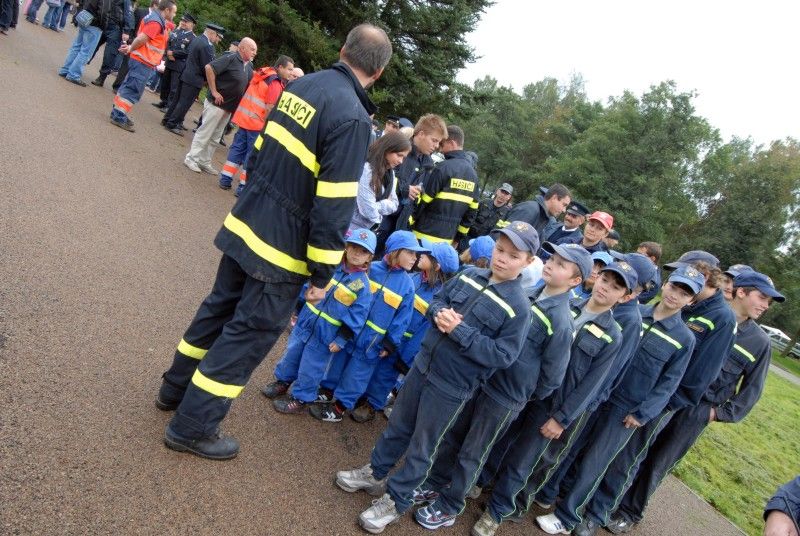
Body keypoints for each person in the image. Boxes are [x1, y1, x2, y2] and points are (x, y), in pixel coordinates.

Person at [155, 23, 392, 460]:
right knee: (246, 337)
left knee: (215, 311)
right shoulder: (353, 118)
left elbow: (260, 150)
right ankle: (192, 426)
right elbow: (333, 204)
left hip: (249, 223)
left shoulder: (301, 87)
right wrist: (323, 271)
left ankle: (174, 390)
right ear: (378, 73)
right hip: (282, 252)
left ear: (343, 50)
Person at [333, 221, 536, 534]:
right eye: (500, 250)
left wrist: (461, 331)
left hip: (453, 386)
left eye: (513, 255)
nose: (503, 258)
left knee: (423, 446)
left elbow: (503, 356)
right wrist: (439, 314)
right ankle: (375, 473)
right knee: (398, 426)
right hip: (424, 364)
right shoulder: (469, 275)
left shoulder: (519, 308)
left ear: (528, 261)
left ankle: (396, 501)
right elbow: (437, 302)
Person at [416, 242, 590, 530]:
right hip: (484, 378)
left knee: (474, 451)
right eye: (553, 258)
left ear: (575, 281)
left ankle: (450, 504)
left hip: (506, 395)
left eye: (561, 265)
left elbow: (553, 376)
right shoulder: (525, 295)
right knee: (454, 434)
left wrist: (522, 392)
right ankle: (434, 482)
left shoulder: (561, 320)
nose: (550, 264)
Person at [606, 270, 783, 534]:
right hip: (669, 394)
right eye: (762, 297)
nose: (764, 306)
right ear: (742, 292)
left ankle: (630, 511)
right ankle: (608, 498)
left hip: (697, 409)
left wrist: (716, 413)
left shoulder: (759, 342)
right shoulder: (705, 314)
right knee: (633, 448)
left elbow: (751, 390)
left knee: (661, 459)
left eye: (768, 302)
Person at [536, 265, 704, 536]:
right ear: (665, 285)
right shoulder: (637, 315)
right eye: (674, 286)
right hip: (600, 394)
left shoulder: (684, 338)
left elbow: (669, 383)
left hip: (627, 409)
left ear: (691, 301)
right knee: (572, 445)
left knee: (596, 461)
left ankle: (568, 516)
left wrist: (643, 413)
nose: (675, 295)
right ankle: (547, 492)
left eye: (685, 293)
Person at [471, 258, 633, 536]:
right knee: (501, 438)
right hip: (530, 389)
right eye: (605, 280)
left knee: (524, 459)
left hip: (555, 405)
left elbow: (592, 385)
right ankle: (480, 481)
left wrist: (562, 418)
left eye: (615, 287)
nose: (605, 288)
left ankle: (496, 512)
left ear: (625, 296)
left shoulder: (612, 335)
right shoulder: (566, 304)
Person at [309, 231, 424, 423]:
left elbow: (402, 320)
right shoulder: (371, 269)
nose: (415, 258)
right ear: (396, 250)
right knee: (337, 363)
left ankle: (340, 407)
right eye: (411, 252)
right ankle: (327, 390)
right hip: (351, 332)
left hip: (373, 343)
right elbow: (351, 291)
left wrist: (389, 344)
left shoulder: (407, 285)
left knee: (357, 375)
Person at [260, 229, 376, 414]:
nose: (356, 253)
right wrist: (297, 309)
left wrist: (341, 339)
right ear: (346, 247)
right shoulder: (330, 267)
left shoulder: (362, 285)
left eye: (363, 251)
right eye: (353, 247)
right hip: (305, 322)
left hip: (326, 335)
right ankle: (283, 381)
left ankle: (301, 398)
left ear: (369, 257)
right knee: (291, 355)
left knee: (311, 368)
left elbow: (358, 316)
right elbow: (309, 287)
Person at [355, 241, 460, 423]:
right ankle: (362, 396)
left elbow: (424, 332)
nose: (420, 256)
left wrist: (406, 357)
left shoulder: (439, 296)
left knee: (385, 376)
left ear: (437, 265)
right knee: (374, 368)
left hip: (404, 346)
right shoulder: (414, 278)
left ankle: (372, 404)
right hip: (391, 336)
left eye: (427, 255)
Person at [219, 55, 294, 196]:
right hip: (258, 124)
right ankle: (242, 187)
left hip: (245, 120)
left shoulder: (262, 73)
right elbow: (270, 108)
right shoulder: (275, 82)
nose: (291, 72)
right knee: (251, 156)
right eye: (289, 69)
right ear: (280, 67)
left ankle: (225, 179)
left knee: (237, 149)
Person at [182, 38, 257, 174]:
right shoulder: (231, 58)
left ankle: (204, 161)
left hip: (229, 108)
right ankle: (191, 158)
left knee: (216, 137)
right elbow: (209, 67)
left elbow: (252, 82)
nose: (254, 53)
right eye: (252, 49)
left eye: (255, 50)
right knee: (205, 132)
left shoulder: (249, 66)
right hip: (216, 104)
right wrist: (214, 91)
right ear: (243, 48)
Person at [375, 114, 447, 252]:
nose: (436, 146)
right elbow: (379, 179)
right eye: (434, 140)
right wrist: (405, 189)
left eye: (438, 142)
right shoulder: (397, 150)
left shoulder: (428, 165)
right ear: (421, 134)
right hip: (380, 220)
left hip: (399, 228)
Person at [109, 0, 177, 132]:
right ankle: (118, 116)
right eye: (174, 12)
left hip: (142, 59)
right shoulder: (156, 22)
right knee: (133, 89)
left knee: (128, 86)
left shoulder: (156, 19)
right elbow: (141, 39)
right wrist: (130, 48)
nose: (175, 15)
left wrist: (131, 48)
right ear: (167, 10)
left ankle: (117, 112)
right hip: (142, 60)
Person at [409, 125, 479, 244]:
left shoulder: (442, 168)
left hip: (421, 236)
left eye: (442, 145)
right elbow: (472, 212)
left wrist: (409, 221)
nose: (439, 149)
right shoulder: (474, 176)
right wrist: (458, 238)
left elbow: (424, 201)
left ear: (451, 143)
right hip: (446, 242)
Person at [161, 22, 223, 132]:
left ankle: (167, 119)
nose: (217, 39)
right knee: (184, 103)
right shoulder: (206, 46)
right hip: (194, 78)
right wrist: (207, 79)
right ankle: (172, 123)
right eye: (217, 36)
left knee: (177, 100)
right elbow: (207, 66)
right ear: (212, 33)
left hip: (186, 74)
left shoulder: (197, 39)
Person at [350, 132, 411, 232]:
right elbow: (368, 211)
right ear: (387, 149)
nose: (401, 161)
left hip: (366, 231)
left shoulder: (390, 173)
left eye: (403, 157)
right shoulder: (367, 170)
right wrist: (385, 203)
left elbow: (395, 204)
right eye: (399, 155)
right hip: (351, 230)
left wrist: (375, 206)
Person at [57, 0, 126, 86]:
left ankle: (65, 70)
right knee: (85, 52)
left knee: (76, 47)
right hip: (94, 24)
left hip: (85, 19)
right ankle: (73, 75)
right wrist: (103, 25)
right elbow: (104, 12)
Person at [497, 183, 571, 242]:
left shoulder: (543, 217)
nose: (564, 210)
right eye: (564, 205)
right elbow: (503, 239)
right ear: (554, 198)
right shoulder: (530, 210)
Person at [151, 12, 195, 109]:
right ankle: (164, 101)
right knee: (165, 84)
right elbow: (168, 42)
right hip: (170, 62)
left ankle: (170, 106)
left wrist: (173, 53)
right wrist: (168, 51)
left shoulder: (192, 38)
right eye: (182, 21)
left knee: (174, 87)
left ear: (192, 24)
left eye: (186, 22)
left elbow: (187, 52)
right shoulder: (176, 32)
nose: (183, 23)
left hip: (179, 65)